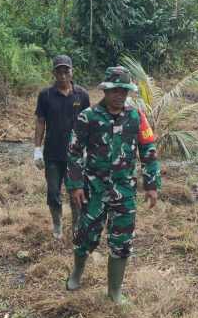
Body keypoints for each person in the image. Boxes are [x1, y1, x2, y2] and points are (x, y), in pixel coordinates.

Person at [65, 66, 160, 304]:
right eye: (115, 90)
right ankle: (77, 272)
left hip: (125, 191)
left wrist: (151, 184)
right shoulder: (89, 116)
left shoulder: (136, 116)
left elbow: (148, 149)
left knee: (122, 240)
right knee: (86, 234)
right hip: (93, 189)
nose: (119, 95)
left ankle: (114, 291)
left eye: (124, 91)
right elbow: (74, 151)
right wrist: (75, 184)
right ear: (105, 90)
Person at [34, 55, 91, 239]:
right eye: (59, 71)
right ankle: (57, 225)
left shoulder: (82, 95)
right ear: (54, 73)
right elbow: (41, 122)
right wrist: (37, 149)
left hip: (75, 156)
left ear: (72, 71)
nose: (63, 74)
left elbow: (88, 122)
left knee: (76, 193)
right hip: (53, 154)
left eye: (66, 70)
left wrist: (88, 148)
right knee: (53, 193)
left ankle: (76, 227)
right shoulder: (46, 95)